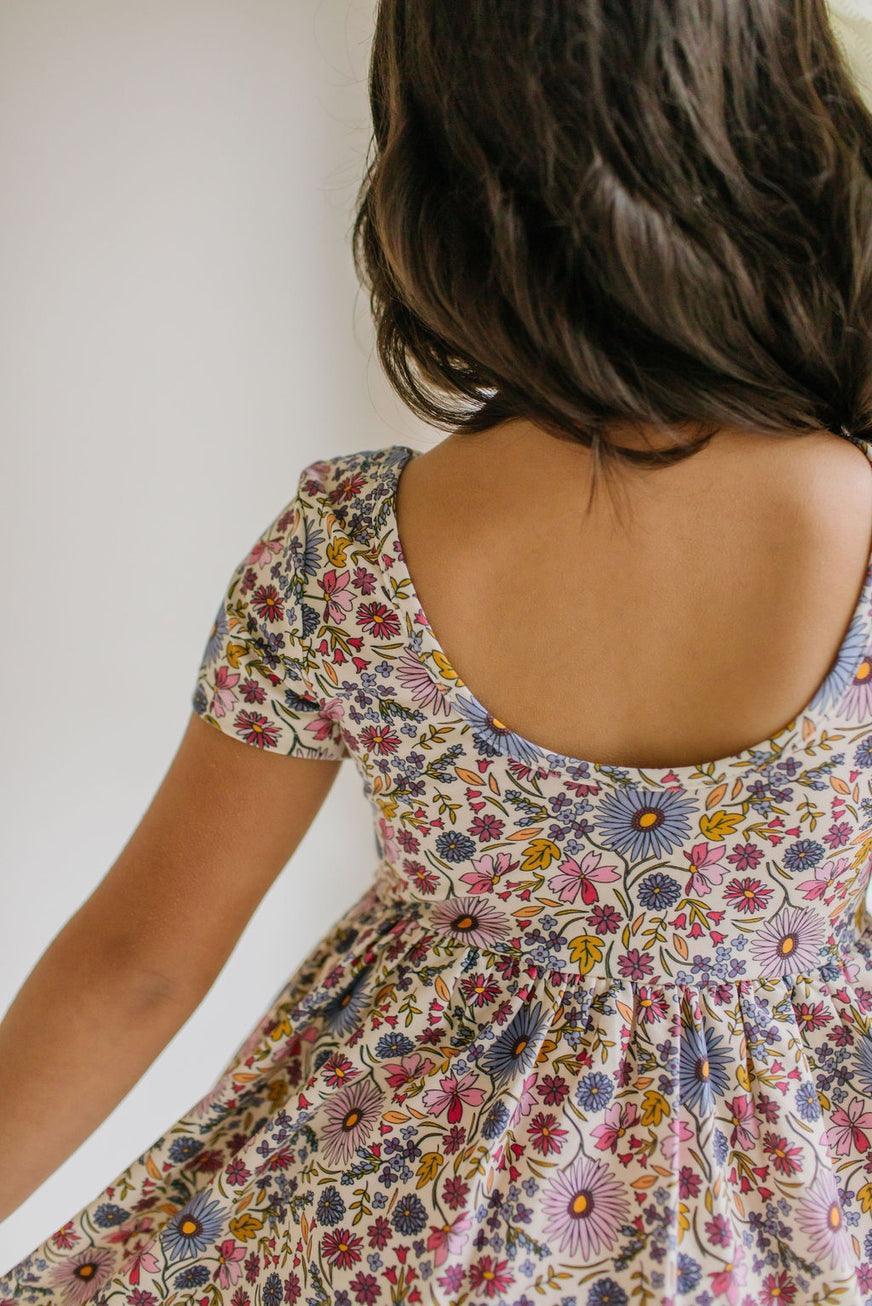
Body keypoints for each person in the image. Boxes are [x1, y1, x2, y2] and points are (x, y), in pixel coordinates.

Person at [2, 1, 872, 1302]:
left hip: (396, 1217)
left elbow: (140, 966)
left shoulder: (351, 549)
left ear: (447, 175)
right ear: (781, 121)